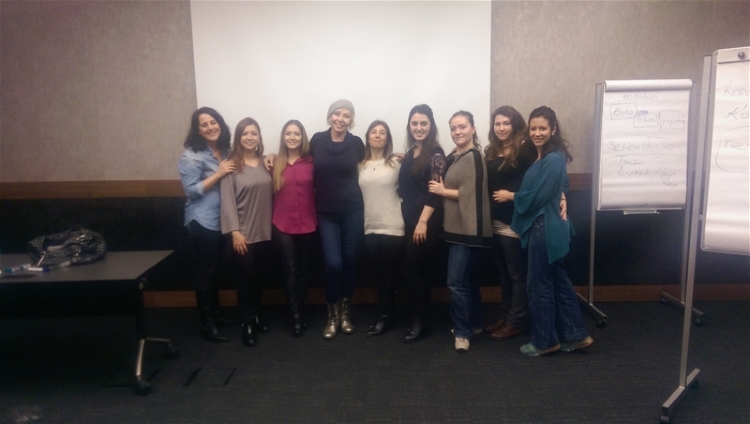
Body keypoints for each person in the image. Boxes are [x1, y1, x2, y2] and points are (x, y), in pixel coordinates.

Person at [495, 106, 593, 356]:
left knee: (539, 286)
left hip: (544, 228)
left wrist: (511, 195)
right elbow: (562, 184)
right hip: (545, 226)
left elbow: (537, 196)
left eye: (543, 128)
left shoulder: (553, 158)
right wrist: (561, 195)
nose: (537, 133)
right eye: (533, 128)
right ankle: (576, 335)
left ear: (553, 130)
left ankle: (545, 341)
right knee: (559, 283)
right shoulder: (541, 157)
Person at [429, 111, 492, 352]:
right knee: (467, 280)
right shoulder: (456, 156)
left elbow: (471, 194)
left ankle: (462, 333)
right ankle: (474, 324)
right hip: (456, 229)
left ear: (473, 129)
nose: (457, 132)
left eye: (462, 127)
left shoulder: (473, 156)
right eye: (453, 128)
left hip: (468, 231)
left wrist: (442, 191)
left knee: (455, 282)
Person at [178, 107, 235, 343]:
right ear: (198, 131)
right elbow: (191, 191)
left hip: (221, 220)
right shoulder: (191, 156)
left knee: (214, 271)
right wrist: (218, 174)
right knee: (205, 273)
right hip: (201, 221)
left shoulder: (225, 151)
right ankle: (207, 325)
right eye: (204, 124)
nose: (210, 127)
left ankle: (216, 315)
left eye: (213, 122)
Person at [310, 100, 365, 340]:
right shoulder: (316, 140)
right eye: (337, 114)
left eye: (346, 115)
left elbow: (372, 162)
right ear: (330, 116)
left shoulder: (356, 143)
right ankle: (331, 315)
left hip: (353, 211)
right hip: (325, 213)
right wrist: (271, 155)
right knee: (333, 264)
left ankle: (345, 314)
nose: (341, 119)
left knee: (350, 262)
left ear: (351, 120)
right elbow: (297, 157)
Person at [483, 106, 536, 340]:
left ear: (515, 124)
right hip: (494, 221)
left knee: (517, 275)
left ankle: (517, 321)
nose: (501, 128)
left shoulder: (525, 150)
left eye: (506, 123)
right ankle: (505, 316)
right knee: (504, 273)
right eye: (497, 123)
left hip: (513, 221)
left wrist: (511, 195)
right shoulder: (492, 150)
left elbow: (537, 182)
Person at [220, 117, 273, 347]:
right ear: (238, 138)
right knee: (246, 280)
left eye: (254, 133)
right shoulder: (231, 166)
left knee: (260, 278)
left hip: (266, 232)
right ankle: (247, 323)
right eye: (245, 134)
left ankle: (256, 315)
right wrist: (235, 232)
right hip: (244, 234)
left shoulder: (267, 162)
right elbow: (227, 201)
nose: (250, 137)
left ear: (259, 137)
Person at [398, 104, 446, 343]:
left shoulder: (436, 154)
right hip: (409, 220)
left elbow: (434, 192)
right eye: (414, 123)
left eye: (423, 123)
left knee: (408, 270)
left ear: (431, 125)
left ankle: (419, 320)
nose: (419, 128)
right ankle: (423, 318)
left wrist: (423, 222)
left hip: (425, 220)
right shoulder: (410, 153)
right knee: (421, 271)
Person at [358, 120, 405, 336]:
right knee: (378, 274)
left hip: (393, 226)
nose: (377, 135)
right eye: (373, 132)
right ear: (368, 137)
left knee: (389, 274)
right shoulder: (360, 165)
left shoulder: (397, 163)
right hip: (369, 227)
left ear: (387, 139)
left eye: (382, 133)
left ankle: (385, 318)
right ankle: (387, 315)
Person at [271, 120, 317, 337]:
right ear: (283, 137)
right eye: (288, 133)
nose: (292, 137)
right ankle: (296, 317)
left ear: (302, 137)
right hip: (282, 223)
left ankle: (301, 309)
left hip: (308, 222)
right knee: (291, 269)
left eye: (296, 134)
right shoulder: (273, 163)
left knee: (305, 269)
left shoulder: (312, 162)